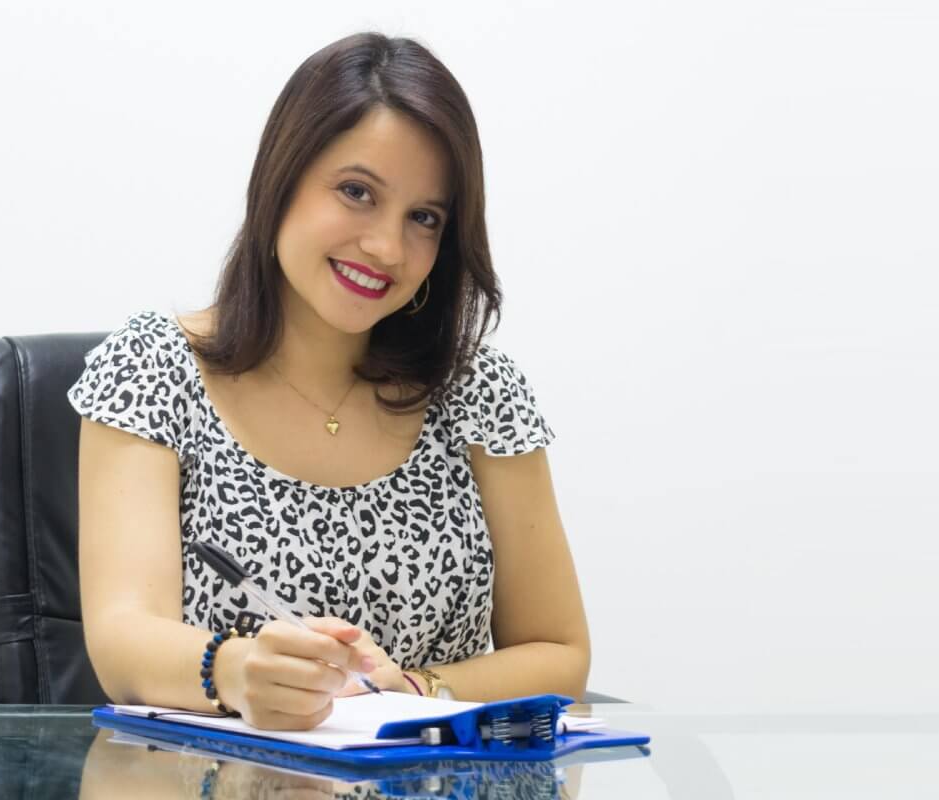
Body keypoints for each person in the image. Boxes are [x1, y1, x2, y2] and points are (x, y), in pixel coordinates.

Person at [67, 31, 590, 732]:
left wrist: (412, 689)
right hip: (219, 774)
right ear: (281, 179)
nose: (387, 248)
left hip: (431, 774)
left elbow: (560, 653)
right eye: (356, 192)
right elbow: (122, 639)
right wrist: (240, 671)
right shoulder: (153, 366)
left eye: (424, 218)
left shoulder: (478, 390)